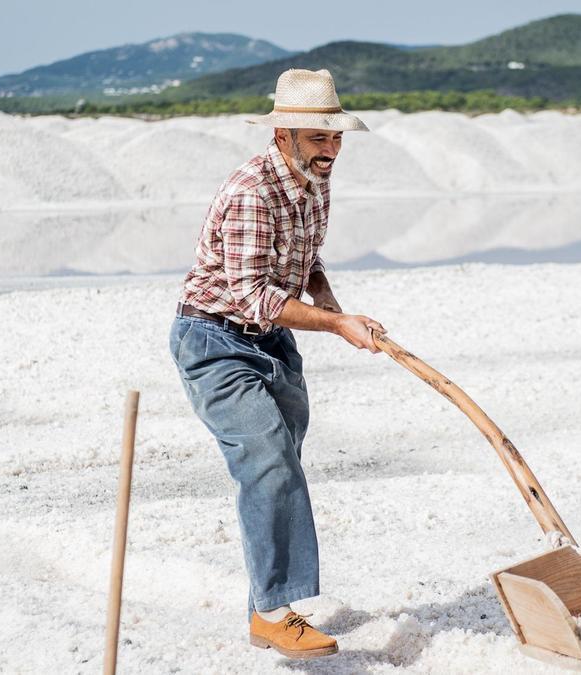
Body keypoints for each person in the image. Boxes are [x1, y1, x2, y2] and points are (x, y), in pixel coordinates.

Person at [169, 68, 384, 660]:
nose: (331, 150)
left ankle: (267, 608)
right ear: (284, 133)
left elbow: (306, 258)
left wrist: (330, 301)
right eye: (319, 138)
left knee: (281, 461)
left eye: (336, 137)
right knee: (266, 458)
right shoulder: (250, 191)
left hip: (273, 342)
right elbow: (251, 296)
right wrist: (338, 326)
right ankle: (272, 615)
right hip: (216, 341)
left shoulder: (315, 184)